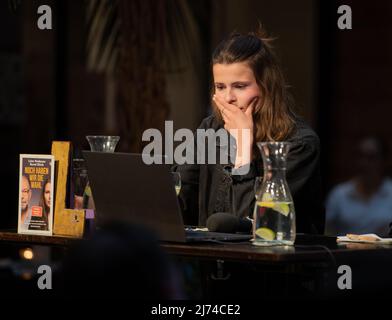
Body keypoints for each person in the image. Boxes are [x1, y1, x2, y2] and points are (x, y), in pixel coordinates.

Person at [173, 26, 324, 234]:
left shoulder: (299, 143)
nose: (228, 98)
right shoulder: (210, 128)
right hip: (211, 263)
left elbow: (251, 228)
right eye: (220, 86)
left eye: (240, 86)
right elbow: (179, 206)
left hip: (269, 264)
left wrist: (243, 146)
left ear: (266, 86)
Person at [326, 137, 392, 236]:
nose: (364, 163)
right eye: (360, 156)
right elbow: (327, 229)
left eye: (371, 157)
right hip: (344, 250)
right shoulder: (339, 194)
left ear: (384, 161)